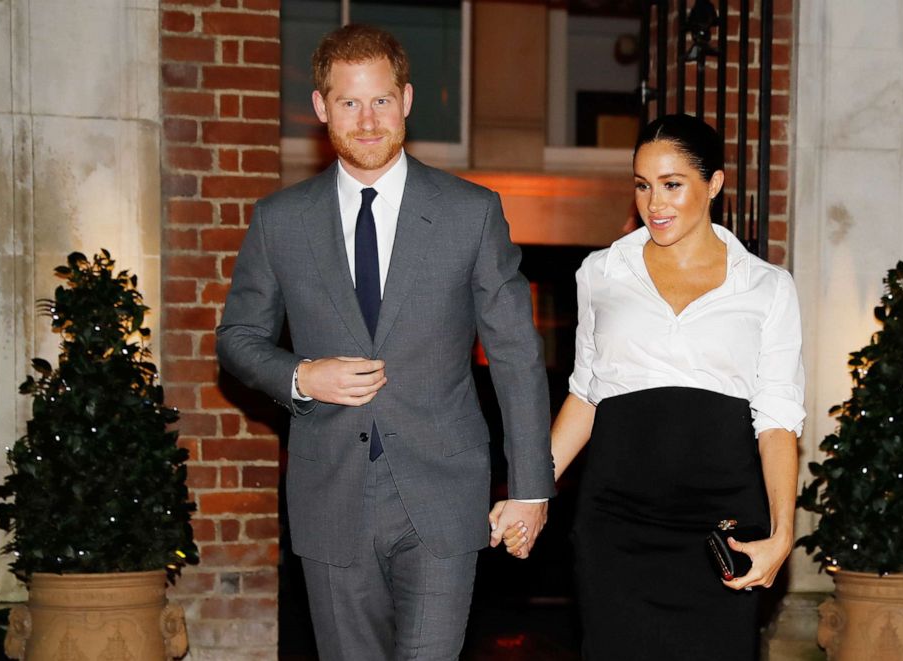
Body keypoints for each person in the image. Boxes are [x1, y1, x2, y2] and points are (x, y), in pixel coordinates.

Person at [216, 24, 554, 661]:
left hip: (445, 495)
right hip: (330, 496)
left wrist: (530, 488)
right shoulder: (281, 220)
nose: (367, 121)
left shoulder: (470, 212)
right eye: (349, 102)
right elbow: (237, 338)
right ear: (321, 108)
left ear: (406, 99)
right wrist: (301, 377)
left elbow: (515, 355)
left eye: (380, 101)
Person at [494, 113, 805, 660]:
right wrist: (529, 490)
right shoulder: (601, 273)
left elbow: (777, 417)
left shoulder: (767, 288)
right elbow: (587, 394)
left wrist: (782, 532)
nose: (654, 203)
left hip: (720, 524)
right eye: (642, 185)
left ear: (714, 184)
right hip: (617, 523)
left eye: (672, 184)